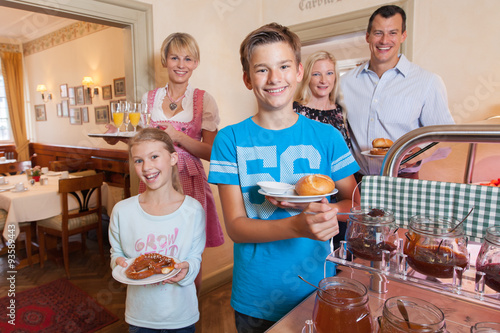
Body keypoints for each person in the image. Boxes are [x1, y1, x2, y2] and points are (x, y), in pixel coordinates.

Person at [208, 23, 360, 332]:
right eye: (262, 69)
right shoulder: (229, 140)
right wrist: (297, 225)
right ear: (247, 79)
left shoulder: (327, 136)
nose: (275, 78)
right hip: (256, 294)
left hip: (316, 286)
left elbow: (353, 199)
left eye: (284, 66)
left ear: (299, 71)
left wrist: (326, 211)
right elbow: (236, 227)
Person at [106, 32, 224, 280]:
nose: (181, 65)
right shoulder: (148, 99)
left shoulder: (204, 100)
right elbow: (141, 144)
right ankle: (153, 307)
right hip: (153, 177)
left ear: (195, 63)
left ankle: (189, 312)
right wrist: (116, 136)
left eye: (188, 59)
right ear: (164, 61)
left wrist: (179, 137)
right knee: (153, 243)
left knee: (189, 252)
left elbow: (213, 152)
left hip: (189, 180)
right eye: (175, 58)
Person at [340, 5, 455, 180]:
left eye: (392, 33)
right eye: (378, 33)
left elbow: (445, 138)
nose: (384, 40)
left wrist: (418, 155)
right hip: (357, 181)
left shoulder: (427, 82)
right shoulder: (346, 82)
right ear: (367, 36)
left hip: (403, 181)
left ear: (403, 36)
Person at [109, 128, 206, 332]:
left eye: (154, 156)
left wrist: (187, 269)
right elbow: (116, 253)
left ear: (173, 158)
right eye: (138, 160)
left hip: (181, 315)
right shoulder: (122, 211)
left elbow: (195, 258)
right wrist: (117, 261)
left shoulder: (193, 211)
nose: (146, 167)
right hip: (139, 316)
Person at [294, 50, 351, 148]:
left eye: (329, 73)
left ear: (335, 77)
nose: (323, 80)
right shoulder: (295, 111)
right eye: (316, 74)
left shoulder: (341, 111)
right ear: (307, 77)